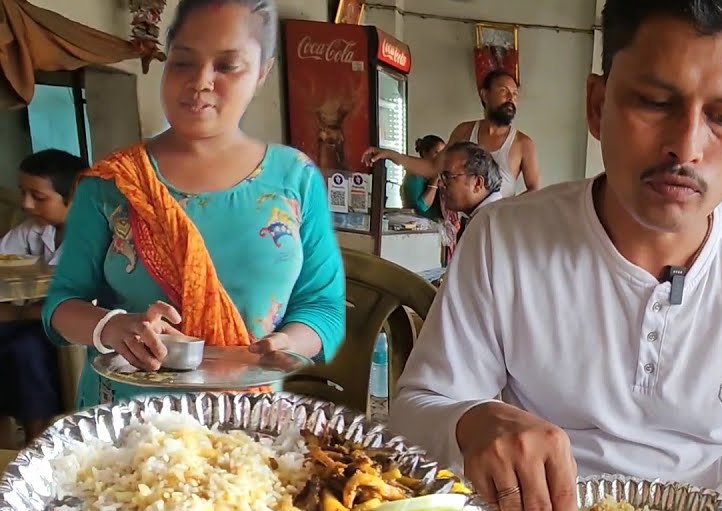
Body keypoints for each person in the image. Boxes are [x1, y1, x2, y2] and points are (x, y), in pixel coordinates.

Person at [393, 0, 722, 511]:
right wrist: (472, 422)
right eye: (657, 103)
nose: (687, 147)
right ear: (597, 105)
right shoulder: (505, 238)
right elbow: (412, 413)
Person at [43, 0, 346, 408]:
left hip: (248, 422)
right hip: (126, 429)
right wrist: (113, 327)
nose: (201, 81)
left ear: (262, 73)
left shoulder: (295, 179)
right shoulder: (113, 182)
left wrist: (286, 343)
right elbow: (62, 305)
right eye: (184, 63)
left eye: (227, 66)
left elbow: (322, 307)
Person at [0, 149, 88, 440]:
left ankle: (36, 440)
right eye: (23, 193)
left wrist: (18, 313)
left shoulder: (94, 237)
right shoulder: (32, 230)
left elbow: (88, 302)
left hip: (74, 331)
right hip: (31, 319)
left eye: (38, 197)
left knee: (25, 350)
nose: (25, 204)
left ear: (74, 195)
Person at [447, 70, 541, 197]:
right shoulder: (463, 131)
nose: (511, 98)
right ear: (485, 95)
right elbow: (436, 167)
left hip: (503, 216)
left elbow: (535, 190)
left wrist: (505, 207)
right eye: (503, 91)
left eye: (514, 94)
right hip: (466, 217)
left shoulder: (524, 143)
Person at [436, 141, 503, 267]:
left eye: (448, 176)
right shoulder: (483, 217)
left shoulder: (491, 226)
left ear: (478, 183)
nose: (440, 184)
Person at [362, 134, 446, 217]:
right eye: (436, 152)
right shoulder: (414, 176)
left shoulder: (443, 174)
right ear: (424, 152)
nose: (440, 157)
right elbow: (420, 209)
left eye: (443, 154)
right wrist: (434, 183)